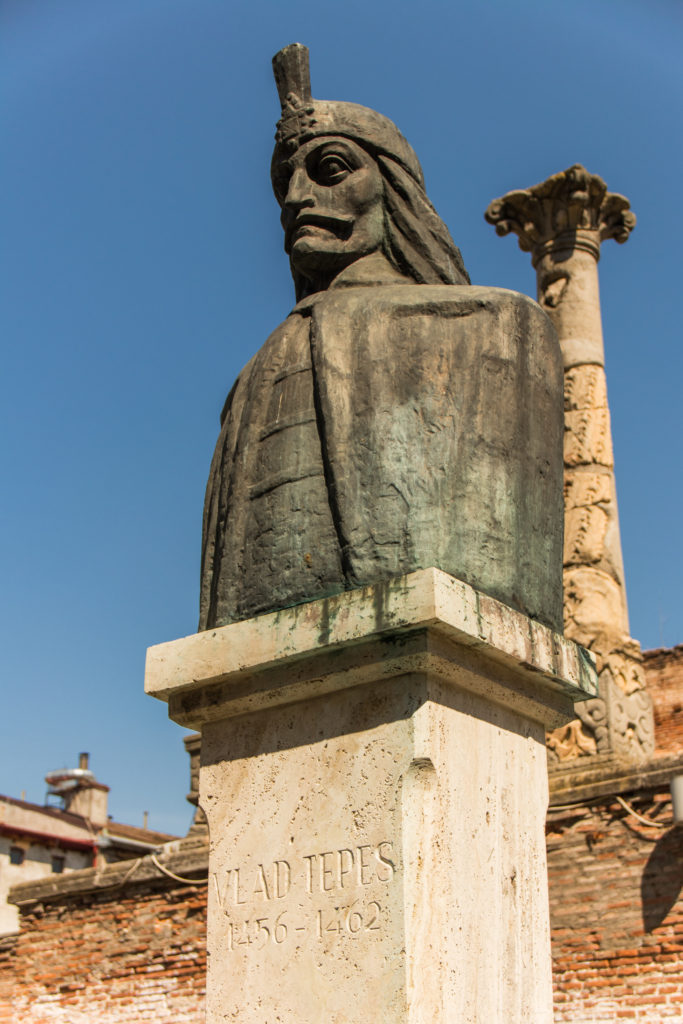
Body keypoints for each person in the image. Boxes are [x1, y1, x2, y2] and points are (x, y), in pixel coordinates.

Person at [199, 45, 564, 633]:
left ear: (393, 191)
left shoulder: (496, 329)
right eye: (285, 182)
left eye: (330, 169)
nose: (296, 198)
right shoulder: (253, 377)